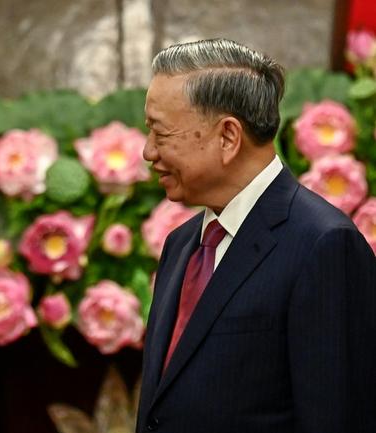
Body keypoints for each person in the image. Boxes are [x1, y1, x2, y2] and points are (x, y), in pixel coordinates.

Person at [137, 39, 376, 433]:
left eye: (161, 134)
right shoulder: (181, 244)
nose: (148, 152)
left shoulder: (323, 245)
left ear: (228, 137)